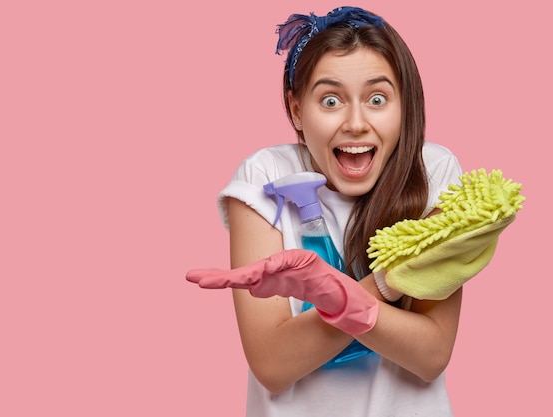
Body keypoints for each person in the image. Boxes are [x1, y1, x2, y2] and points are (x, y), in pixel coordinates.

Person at [187, 6, 464, 416]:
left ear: (405, 106)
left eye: (377, 99)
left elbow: (430, 355)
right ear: (297, 110)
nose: (355, 123)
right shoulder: (266, 174)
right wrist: (384, 288)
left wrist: (337, 297)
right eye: (331, 100)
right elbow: (274, 364)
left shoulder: (433, 173)